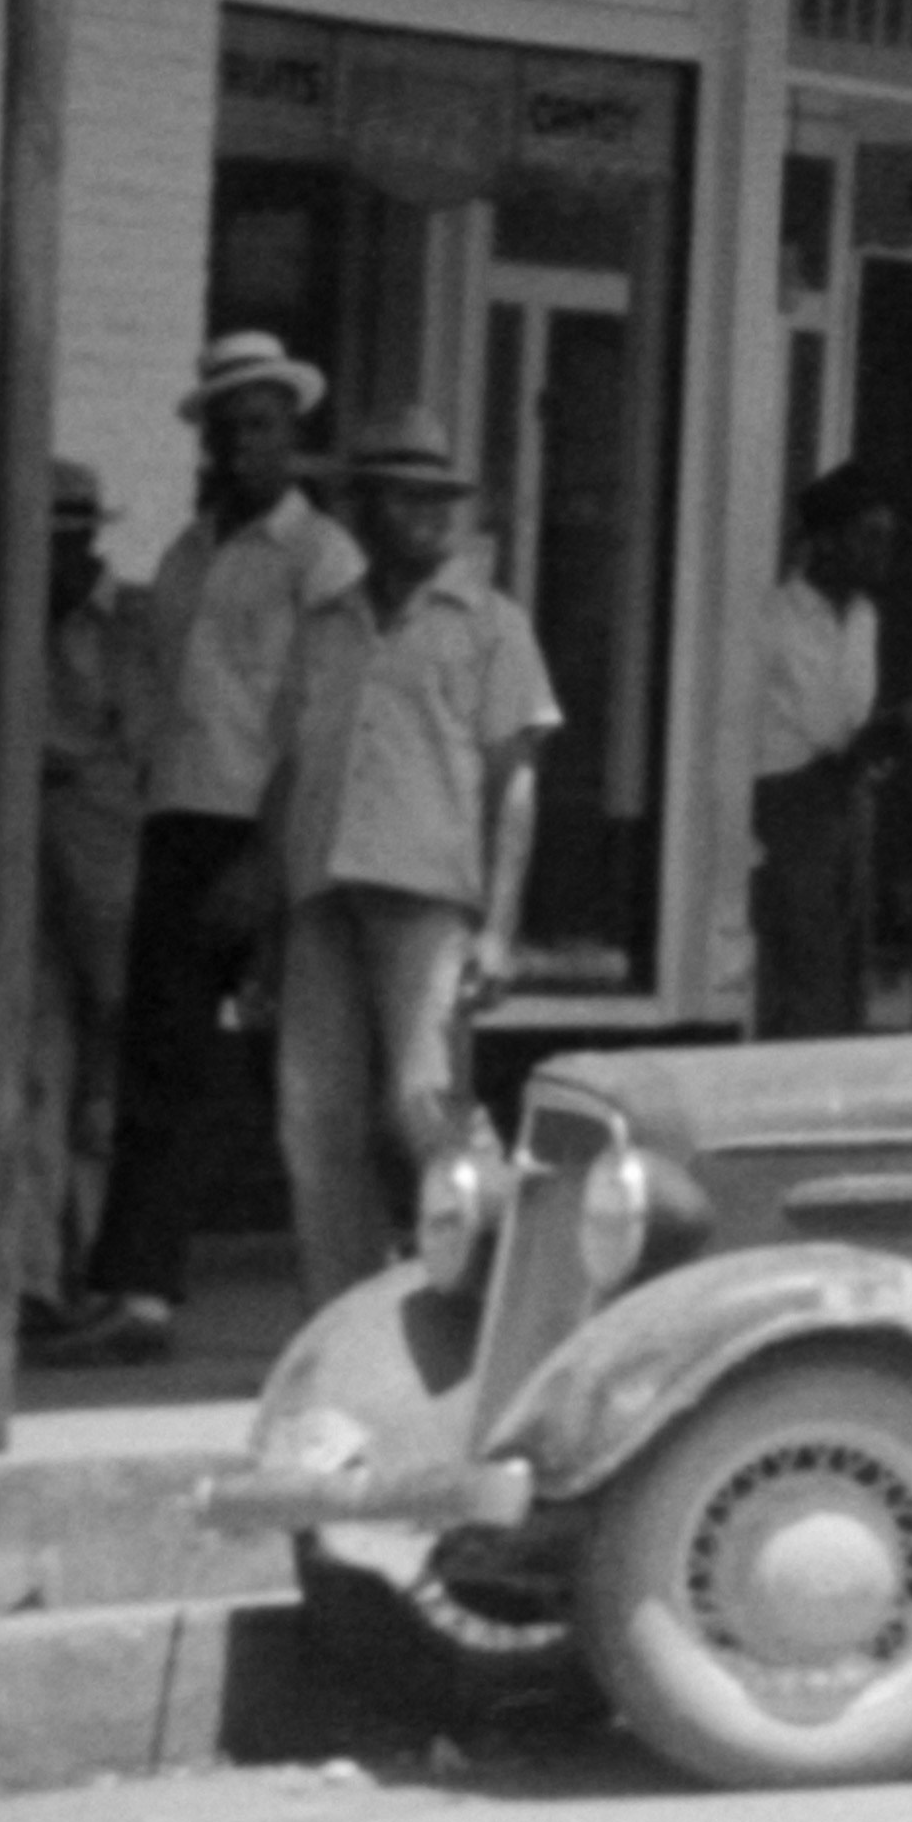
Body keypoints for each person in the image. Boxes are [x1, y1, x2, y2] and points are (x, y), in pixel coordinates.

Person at [61, 337, 363, 1351]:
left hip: (278, 830)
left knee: (320, 1075)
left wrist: (267, 857)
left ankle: (365, 1298)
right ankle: (140, 1292)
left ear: (294, 433)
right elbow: (157, 685)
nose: (244, 447)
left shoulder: (322, 558)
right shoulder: (187, 554)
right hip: (180, 822)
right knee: (162, 1060)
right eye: (229, 430)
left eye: (264, 426)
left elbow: (323, 718)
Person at [264, 414, 550, 1300]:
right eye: (407, 498)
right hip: (320, 892)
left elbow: (515, 786)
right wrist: (269, 915)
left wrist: (497, 934)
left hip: (427, 899)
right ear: (359, 510)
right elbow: (289, 768)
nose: (430, 516)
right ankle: (342, 1318)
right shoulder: (323, 625)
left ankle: (506, 1281)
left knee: (425, 1104)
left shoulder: (490, 624)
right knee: (314, 1122)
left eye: (442, 500)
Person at [0, 462, 133, 1351]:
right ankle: (34, 1277)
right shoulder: (5, 611)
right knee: (32, 1058)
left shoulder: (134, 622)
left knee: (108, 1063)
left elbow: (150, 733)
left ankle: (96, 1265)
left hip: (109, 839)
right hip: (22, 843)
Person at [744, 465, 896, 1041]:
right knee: (799, 972)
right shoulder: (771, 617)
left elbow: (850, 719)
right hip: (788, 811)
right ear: (826, 541)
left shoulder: (866, 620)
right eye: (869, 536)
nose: (882, 552)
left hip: (849, 807)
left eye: (888, 537)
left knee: (846, 969)